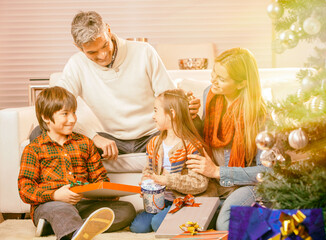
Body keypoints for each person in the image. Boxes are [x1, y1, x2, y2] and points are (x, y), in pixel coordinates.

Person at [46, 10, 201, 161]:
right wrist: (94, 137)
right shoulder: (77, 64)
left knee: (196, 122)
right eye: (92, 53)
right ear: (79, 47)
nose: (103, 55)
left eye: (105, 45)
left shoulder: (144, 52)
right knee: (42, 131)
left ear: (108, 29)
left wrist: (185, 106)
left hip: (156, 133)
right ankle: (62, 186)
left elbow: (168, 95)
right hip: (112, 141)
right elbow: (55, 108)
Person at [18, 86, 136, 240]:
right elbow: (25, 189)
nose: (73, 119)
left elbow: (100, 179)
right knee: (62, 209)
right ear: (46, 117)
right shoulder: (34, 149)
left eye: (74, 112)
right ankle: (71, 232)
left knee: (127, 210)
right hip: (51, 204)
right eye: (65, 114)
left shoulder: (85, 143)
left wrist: (106, 193)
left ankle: (60, 226)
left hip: (83, 204)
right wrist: (55, 195)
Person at [186, 48, 268, 231]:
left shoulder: (260, 117)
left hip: (246, 183)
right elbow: (209, 136)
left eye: (221, 79)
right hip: (216, 182)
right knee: (192, 222)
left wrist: (217, 171)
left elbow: (266, 171)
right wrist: (193, 118)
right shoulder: (210, 94)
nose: (212, 80)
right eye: (213, 73)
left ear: (241, 84)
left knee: (224, 225)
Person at [129, 89, 217, 233]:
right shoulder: (154, 143)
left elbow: (199, 183)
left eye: (156, 111)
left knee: (158, 224)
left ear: (172, 113)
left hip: (185, 200)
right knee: (138, 227)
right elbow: (149, 170)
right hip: (162, 200)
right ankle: (167, 214)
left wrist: (166, 180)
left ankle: (200, 215)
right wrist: (147, 182)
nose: (153, 116)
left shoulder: (192, 145)